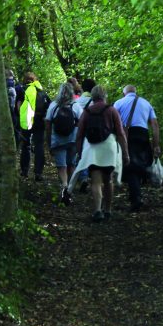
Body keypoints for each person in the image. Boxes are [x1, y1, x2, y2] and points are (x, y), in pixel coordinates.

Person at [70, 84, 128, 222]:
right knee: (108, 181)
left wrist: (79, 152)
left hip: (92, 149)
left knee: (95, 181)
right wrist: (125, 153)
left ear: (93, 96)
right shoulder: (111, 110)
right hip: (109, 148)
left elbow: (79, 134)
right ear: (104, 95)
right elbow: (120, 133)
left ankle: (97, 211)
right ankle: (107, 210)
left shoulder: (87, 111)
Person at [113, 84, 161, 212]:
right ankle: (136, 195)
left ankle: (136, 199)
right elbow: (155, 125)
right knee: (140, 164)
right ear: (136, 92)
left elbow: (113, 122)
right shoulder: (146, 103)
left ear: (124, 93)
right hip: (143, 135)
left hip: (127, 135)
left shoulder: (118, 103)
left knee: (131, 167)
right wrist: (156, 145)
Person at [45, 82, 83, 203]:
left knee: (62, 166)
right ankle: (69, 191)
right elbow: (82, 123)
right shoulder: (76, 106)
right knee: (71, 165)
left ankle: (65, 186)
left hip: (58, 140)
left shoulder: (53, 105)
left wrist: (48, 141)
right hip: (73, 139)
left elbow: (47, 124)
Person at [18, 71, 48, 180]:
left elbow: (18, 106)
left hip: (26, 121)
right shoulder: (41, 91)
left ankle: (24, 171)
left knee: (26, 145)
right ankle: (38, 173)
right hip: (39, 121)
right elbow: (48, 106)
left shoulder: (22, 90)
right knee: (39, 146)